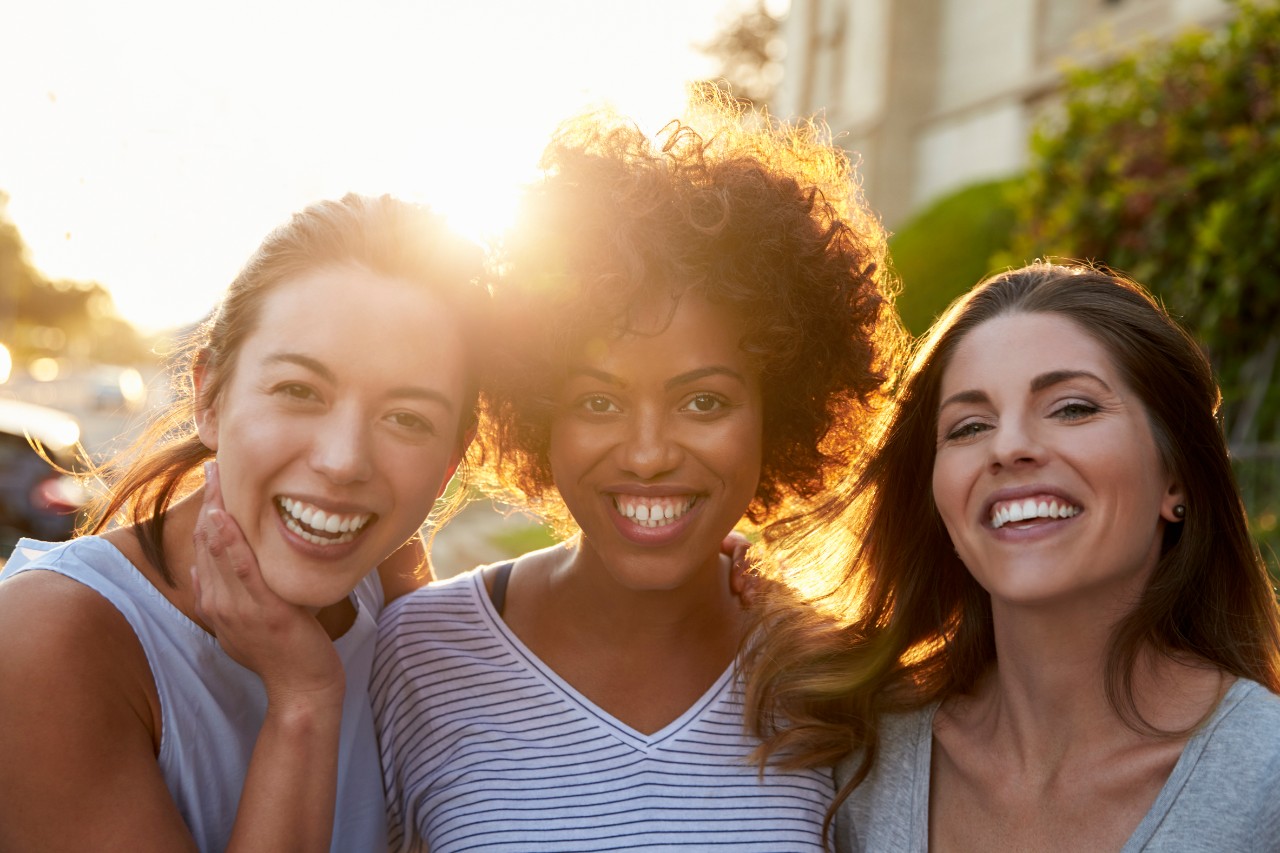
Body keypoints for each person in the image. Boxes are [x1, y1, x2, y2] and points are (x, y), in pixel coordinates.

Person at [371, 102, 904, 852]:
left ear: (778, 411)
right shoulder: (418, 652)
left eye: (704, 400)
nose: (649, 452)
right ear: (538, 411)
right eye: (598, 400)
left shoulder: (830, 671)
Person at [0, 193, 487, 852]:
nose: (343, 462)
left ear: (451, 462)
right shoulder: (50, 638)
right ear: (208, 395)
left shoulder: (389, 574)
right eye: (298, 390)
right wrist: (303, 700)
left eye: (407, 417)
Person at [744, 262, 1280, 851]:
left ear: (1176, 478)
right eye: (969, 426)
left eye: (1072, 408)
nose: (1009, 447)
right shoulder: (853, 756)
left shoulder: (1265, 778)